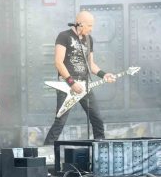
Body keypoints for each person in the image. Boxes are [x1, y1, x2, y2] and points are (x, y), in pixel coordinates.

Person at [43, 10, 116, 146]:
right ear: (80, 24)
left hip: (85, 85)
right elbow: (58, 62)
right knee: (60, 121)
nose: (91, 29)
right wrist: (72, 83)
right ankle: (46, 150)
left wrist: (104, 74)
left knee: (97, 119)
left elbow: (91, 65)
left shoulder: (89, 39)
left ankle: (101, 148)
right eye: (89, 25)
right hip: (67, 85)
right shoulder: (64, 36)